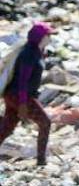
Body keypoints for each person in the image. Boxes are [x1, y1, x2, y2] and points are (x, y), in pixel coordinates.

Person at [0, 23, 53, 166]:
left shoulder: (34, 51)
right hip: (20, 96)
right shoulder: (29, 54)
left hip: (12, 95)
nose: (50, 38)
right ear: (40, 37)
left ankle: (41, 160)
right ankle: (41, 161)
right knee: (45, 123)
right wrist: (23, 104)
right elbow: (23, 80)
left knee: (7, 127)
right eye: (48, 35)